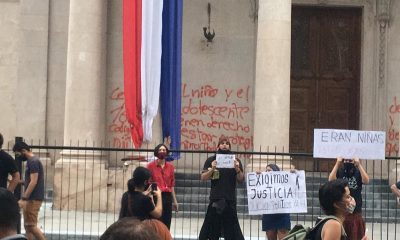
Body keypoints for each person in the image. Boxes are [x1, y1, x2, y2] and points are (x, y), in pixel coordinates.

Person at [199, 137, 245, 240]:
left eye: (227, 143)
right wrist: (212, 169)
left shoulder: (235, 160)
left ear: (229, 146)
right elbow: (203, 178)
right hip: (216, 199)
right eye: (222, 143)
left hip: (230, 199)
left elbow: (241, 179)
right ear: (218, 145)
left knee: (231, 231)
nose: (225, 145)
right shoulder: (211, 160)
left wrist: (237, 169)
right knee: (212, 230)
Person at [328, 157, 369, 240]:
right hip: (343, 212)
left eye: (350, 160)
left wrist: (359, 165)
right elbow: (331, 180)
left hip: (356, 211)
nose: (348, 162)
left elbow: (366, 180)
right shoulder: (340, 171)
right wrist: (337, 163)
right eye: (346, 160)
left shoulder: (358, 172)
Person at [12, 142, 45, 240]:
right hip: (32, 198)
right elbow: (31, 180)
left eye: (18, 154)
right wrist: (19, 181)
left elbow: (34, 182)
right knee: (28, 226)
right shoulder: (32, 161)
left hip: (33, 198)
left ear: (23, 151)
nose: (18, 157)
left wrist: (24, 198)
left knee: (31, 226)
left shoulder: (32, 161)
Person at [147, 144, 179, 229]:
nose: (162, 151)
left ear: (167, 152)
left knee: (167, 222)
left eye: (164, 150)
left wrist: (175, 201)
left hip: (167, 197)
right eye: (160, 150)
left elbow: (172, 185)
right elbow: (148, 182)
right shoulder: (150, 166)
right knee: (156, 222)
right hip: (156, 196)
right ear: (156, 152)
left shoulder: (171, 167)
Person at [261, 164, 291, 240]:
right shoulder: (263, 183)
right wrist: (257, 177)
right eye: (266, 170)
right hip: (268, 214)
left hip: (282, 214)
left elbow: (293, 185)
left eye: (269, 170)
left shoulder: (283, 182)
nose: (267, 172)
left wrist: (294, 174)